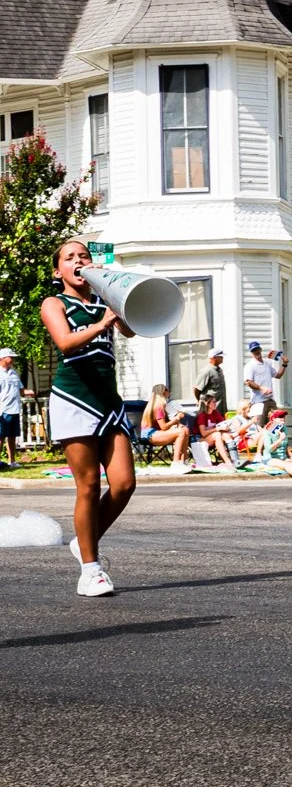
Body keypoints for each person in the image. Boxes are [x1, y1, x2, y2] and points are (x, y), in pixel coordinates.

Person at [42, 240, 137, 597]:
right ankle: (91, 570)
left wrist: (115, 293)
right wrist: (102, 323)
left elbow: (131, 328)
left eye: (84, 256)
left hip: (108, 400)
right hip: (73, 397)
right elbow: (65, 343)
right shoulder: (54, 302)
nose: (78, 261)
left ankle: (86, 539)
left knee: (125, 483)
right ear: (59, 271)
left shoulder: (103, 302)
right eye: (70, 258)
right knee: (88, 486)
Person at [139, 383, 191, 468]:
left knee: (185, 429)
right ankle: (176, 462)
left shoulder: (160, 406)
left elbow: (166, 424)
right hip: (149, 435)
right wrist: (177, 418)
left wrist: (178, 424)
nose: (169, 391)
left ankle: (184, 461)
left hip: (156, 432)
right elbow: (164, 427)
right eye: (166, 389)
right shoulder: (158, 407)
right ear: (162, 392)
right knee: (181, 432)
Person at [241, 341, 287, 426]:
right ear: (251, 352)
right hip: (258, 402)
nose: (256, 352)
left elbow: (278, 375)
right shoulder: (250, 366)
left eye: (257, 349)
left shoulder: (267, 364)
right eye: (254, 350)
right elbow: (248, 382)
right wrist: (261, 388)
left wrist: (284, 364)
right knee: (260, 427)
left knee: (276, 425)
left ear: (260, 349)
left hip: (270, 401)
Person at [194, 395, 235, 468]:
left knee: (225, 435)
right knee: (217, 434)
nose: (216, 403)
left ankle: (235, 459)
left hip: (214, 437)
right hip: (200, 439)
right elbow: (203, 433)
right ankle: (228, 462)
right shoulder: (202, 415)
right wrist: (217, 429)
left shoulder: (215, 413)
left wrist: (226, 428)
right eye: (214, 402)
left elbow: (223, 424)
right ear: (207, 403)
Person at [0, 347, 23, 468]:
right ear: (3, 358)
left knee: (12, 436)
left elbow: (20, 388)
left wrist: (27, 391)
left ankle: (12, 461)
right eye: (11, 357)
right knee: (0, 437)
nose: (13, 359)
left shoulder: (13, 372)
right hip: (3, 409)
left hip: (15, 409)